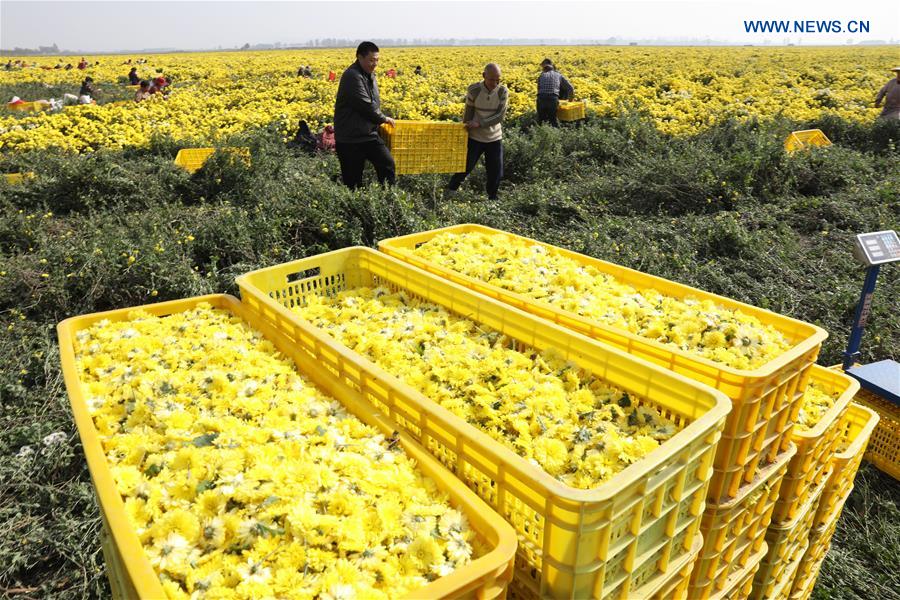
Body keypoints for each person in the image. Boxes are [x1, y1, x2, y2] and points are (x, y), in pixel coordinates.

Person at [333, 41, 396, 189]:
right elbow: (365, 104)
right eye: (371, 60)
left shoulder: (369, 75)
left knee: (387, 165)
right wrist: (383, 118)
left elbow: (373, 102)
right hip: (350, 139)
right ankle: (355, 208)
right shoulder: (352, 76)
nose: (374, 64)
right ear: (359, 57)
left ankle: (388, 200)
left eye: (377, 60)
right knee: (353, 182)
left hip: (368, 135)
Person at [446, 63, 508, 201]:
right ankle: (450, 190)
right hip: (475, 137)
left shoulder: (502, 91)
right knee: (465, 166)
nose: (495, 83)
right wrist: (465, 131)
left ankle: (492, 197)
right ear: (484, 76)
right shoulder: (474, 90)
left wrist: (479, 123)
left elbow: (500, 116)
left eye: (498, 79)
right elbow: (468, 112)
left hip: (494, 137)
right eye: (492, 79)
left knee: (495, 171)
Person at [536, 58, 574, 127]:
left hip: (541, 98)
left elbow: (539, 90)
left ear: (544, 69)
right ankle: (555, 133)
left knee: (541, 120)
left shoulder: (541, 76)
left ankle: (540, 133)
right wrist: (570, 101)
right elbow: (570, 88)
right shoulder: (558, 75)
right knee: (553, 119)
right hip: (553, 99)